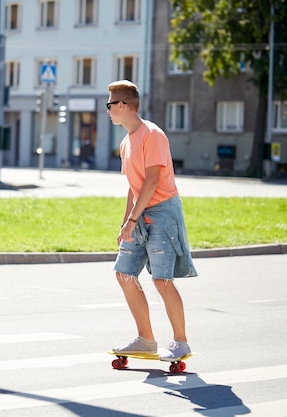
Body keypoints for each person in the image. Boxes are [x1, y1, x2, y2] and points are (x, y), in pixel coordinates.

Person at [107, 80, 197, 361]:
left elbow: (153, 180)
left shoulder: (152, 135)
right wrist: (126, 223)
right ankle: (146, 339)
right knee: (124, 274)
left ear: (122, 106)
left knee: (162, 280)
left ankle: (181, 342)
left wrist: (133, 220)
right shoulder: (126, 142)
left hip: (162, 213)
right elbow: (133, 186)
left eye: (110, 105)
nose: (108, 111)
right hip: (139, 214)